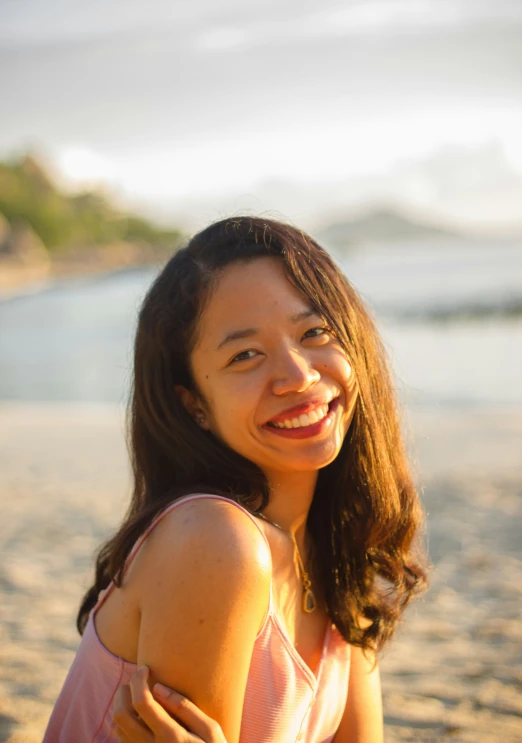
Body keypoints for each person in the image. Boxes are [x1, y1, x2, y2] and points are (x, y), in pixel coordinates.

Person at [43, 216, 428, 743]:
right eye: (245, 355)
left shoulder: (331, 548)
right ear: (194, 404)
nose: (298, 376)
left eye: (314, 332)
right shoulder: (214, 540)